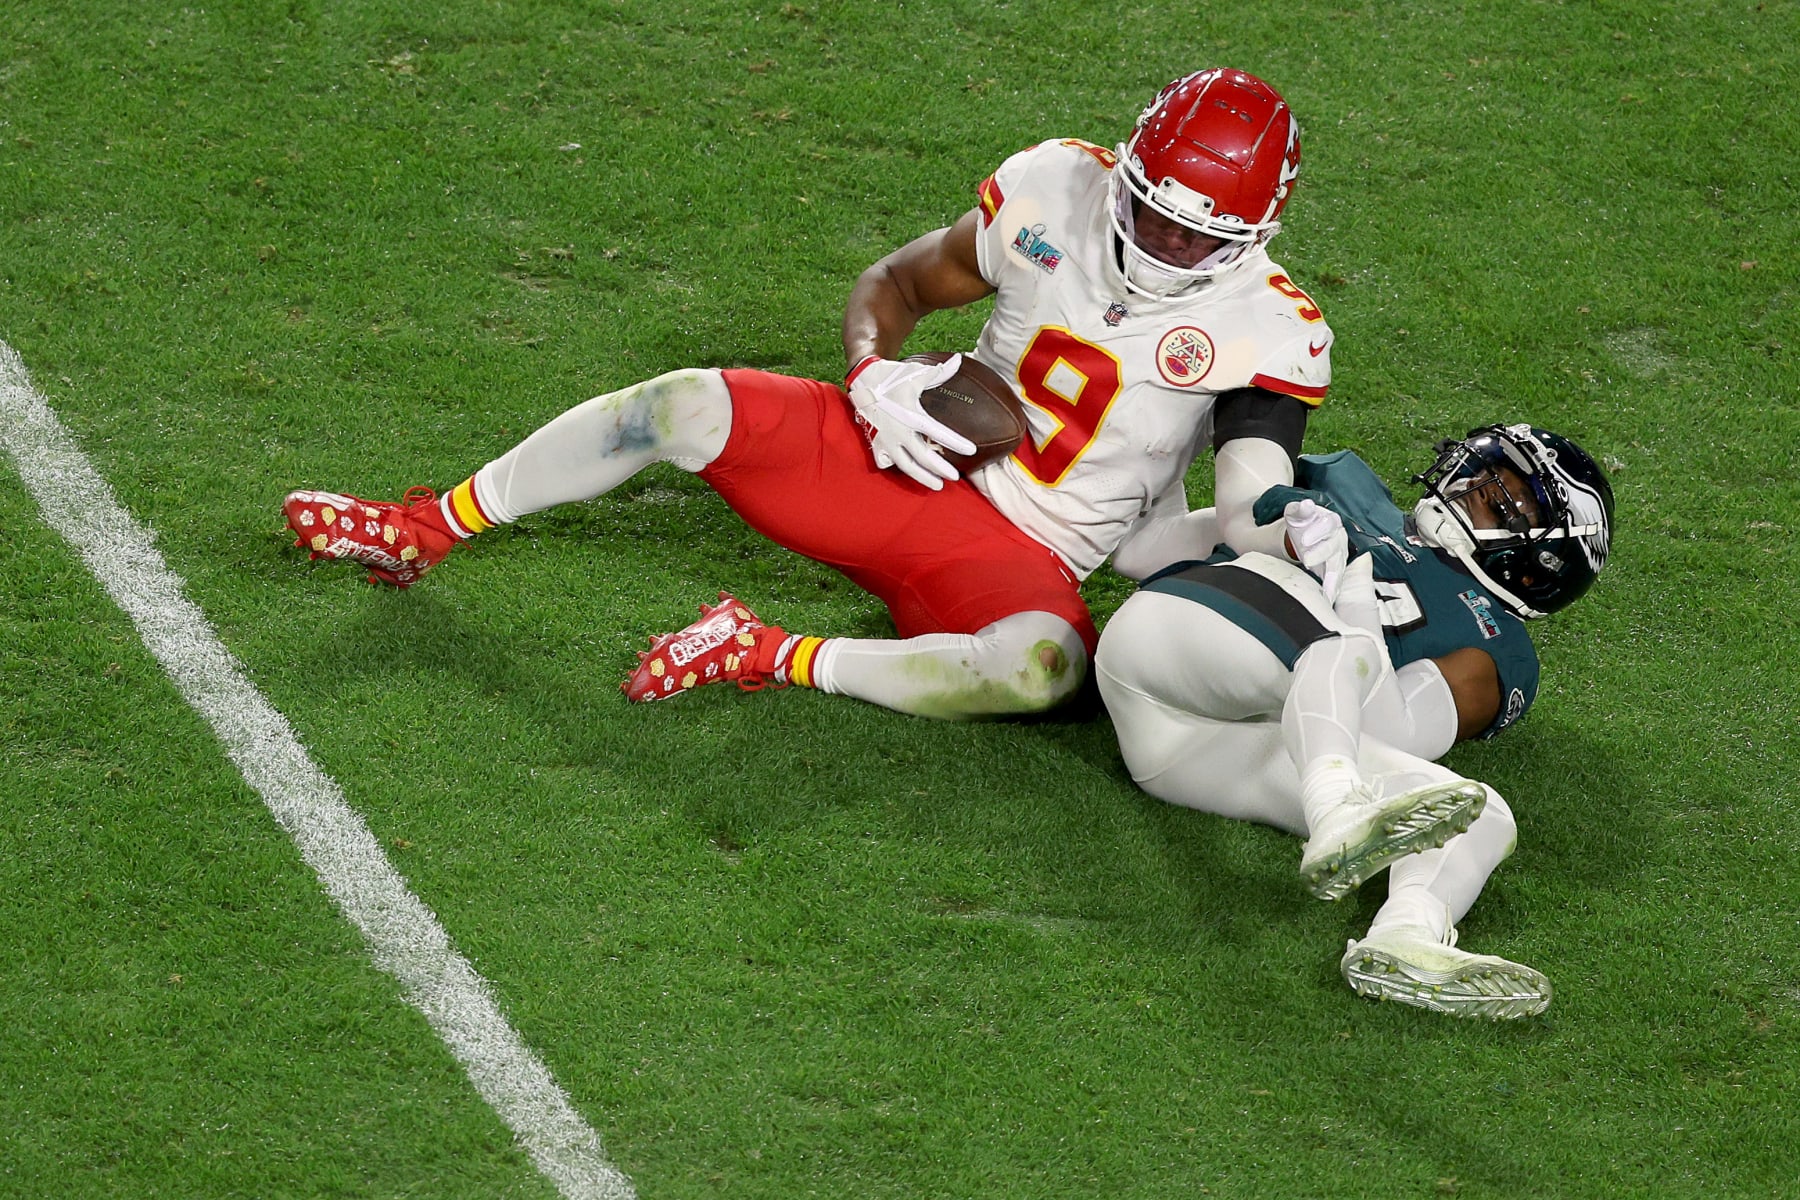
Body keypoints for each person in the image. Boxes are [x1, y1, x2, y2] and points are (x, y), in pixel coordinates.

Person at [283, 68, 1337, 720]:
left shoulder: (1268, 327)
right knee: (685, 401)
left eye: (1200, 234)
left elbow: (1250, 497)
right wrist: (875, 375)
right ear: (1132, 163)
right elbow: (898, 284)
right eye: (1151, 209)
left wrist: (1296, 533)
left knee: (1048, 669)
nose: (1161, 241)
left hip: (1020, 553)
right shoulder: (1057, 185)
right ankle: (426, 526)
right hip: (901, 454)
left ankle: (763, 651)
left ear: (1256, 235)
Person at [1093, 423, 1615, 1018]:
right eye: (1479, 469)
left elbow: (1388, 730)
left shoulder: (1495, 645)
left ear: (1536, 562)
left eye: (1496, 497)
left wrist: (1357, 597)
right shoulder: (1347, 491)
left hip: (1187, 750)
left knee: (1477, 810)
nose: (1467, 482)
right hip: (1169, 639)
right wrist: (1260, 520)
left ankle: (1406, 938)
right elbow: (1140, 550)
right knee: (1343, 650)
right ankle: (1335, 811)